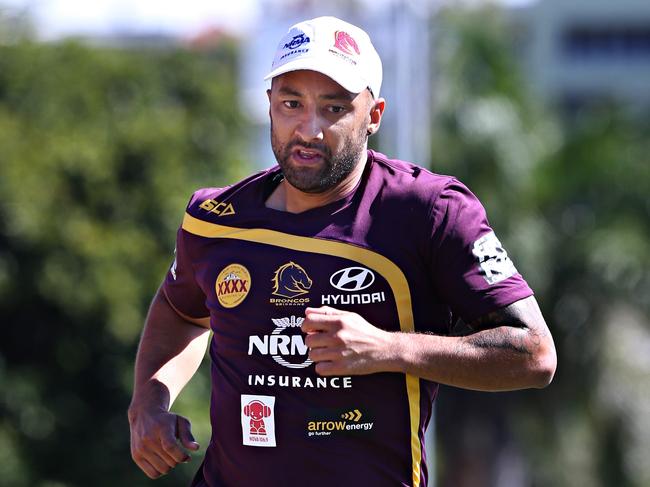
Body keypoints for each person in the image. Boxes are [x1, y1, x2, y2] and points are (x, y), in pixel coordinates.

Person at [127, 16, 556, 487]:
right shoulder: (214, 219)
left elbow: (534, 355)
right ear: (269, 105)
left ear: (373, 115)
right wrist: (149, 401)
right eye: (292, 103)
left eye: (334, 109)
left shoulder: (431, 210)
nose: (309, 130)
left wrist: (389, 348)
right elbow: (181, 309)